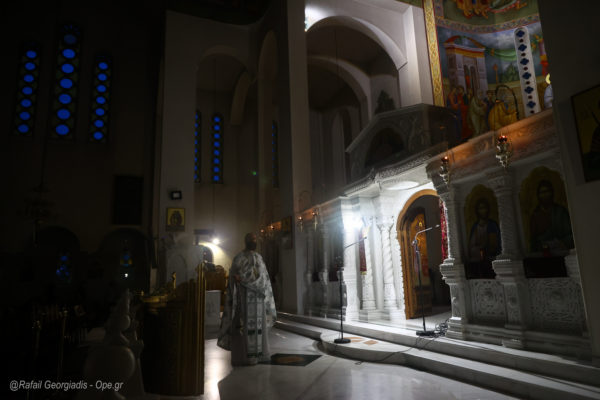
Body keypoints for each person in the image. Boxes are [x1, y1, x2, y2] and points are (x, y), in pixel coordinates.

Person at [217, 233, 276, 366]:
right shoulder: (239, 258)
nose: (254, 241)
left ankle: (259, 355)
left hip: (258, 301)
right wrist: (239, 278)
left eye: (255, 239)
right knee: (242, 326)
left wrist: (243, 278)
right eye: (251, 239)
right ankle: (244, 357)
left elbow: (263, 278)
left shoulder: (259, 258)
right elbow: (233, 276)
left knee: (258, 327)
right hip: (243, 299)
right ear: (246, 241)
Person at [529, 180, 574, 254]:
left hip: (563, 252)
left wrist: (561, 243)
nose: (545, 195)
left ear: (552, 193)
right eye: (542, 192)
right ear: (538, 195)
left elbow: (571, 235)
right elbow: (533, 242)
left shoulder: (561, 211)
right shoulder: (535, 215)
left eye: (547, 191)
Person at [468, 198, 502, 262]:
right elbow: (471, 247)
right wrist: (480, 247)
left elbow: (495, 243)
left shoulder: (492, 225)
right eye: (480, 208)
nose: (483, 210)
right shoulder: (475, 226)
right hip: (478, 257)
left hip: (492, 257)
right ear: (477, 210)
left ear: (487, 209)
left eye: (484, 208)